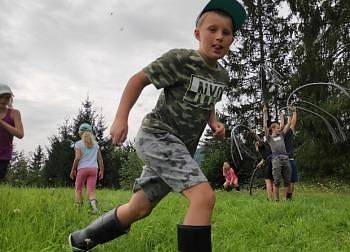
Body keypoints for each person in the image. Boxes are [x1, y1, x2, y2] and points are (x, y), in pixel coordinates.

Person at [69, 1, 247, 251]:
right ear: (198, 34)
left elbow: (207, 102)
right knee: (203, 197)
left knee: (139, 208)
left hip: (180, 150)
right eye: (212, 29)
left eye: (226, 33)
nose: (219, 37)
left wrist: (214, 122)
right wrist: (121, 118)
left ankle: (81, 239)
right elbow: (138, 79)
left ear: (231, 39)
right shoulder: (180, 60)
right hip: (158, 136)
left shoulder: (221, 77)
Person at [69, 123, 105, 213]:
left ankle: (78, 210)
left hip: (82, 169)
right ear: (91, 133)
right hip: (94, 169)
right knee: (91, 191)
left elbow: (77, 158)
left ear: (80, 133)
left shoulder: (78, 144)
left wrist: (73, 169)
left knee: (78, 189)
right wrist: (102, 170)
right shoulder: (96, 144)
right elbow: (100, 159)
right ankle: (94, 209)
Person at [263, 104, 292, 201]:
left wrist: (290, 113)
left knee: (287, 180)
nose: (279, 128)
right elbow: (264, 126)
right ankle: (276, 200)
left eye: (279, 127)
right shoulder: (269, 138)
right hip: (276, 160)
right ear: (273, 129)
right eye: (277, 127)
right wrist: (264, 113)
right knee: (277, 181)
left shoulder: (282, 135)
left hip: (285, 158)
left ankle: (286, 199)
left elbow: (288, 124)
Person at [0, 83, 24, 181]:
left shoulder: (14, 113)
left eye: (7, 97)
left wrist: (2, 123)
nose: (3, 100)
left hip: (3, 155)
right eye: (1, 97)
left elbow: (20, 134)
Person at [279, 106, 298, 200]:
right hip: (287, 159)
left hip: (288, 159)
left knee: (290, 181)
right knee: (290, 181)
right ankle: (287, 198)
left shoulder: (282, 134)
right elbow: (292, 123)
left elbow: (291, 123)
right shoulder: (282, 134)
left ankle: (288, 198)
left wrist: (284, 116)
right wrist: (293, 112)